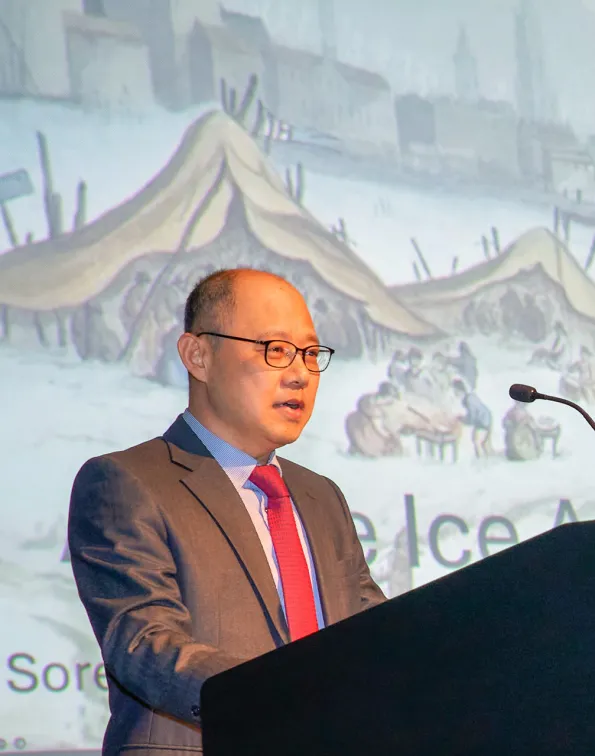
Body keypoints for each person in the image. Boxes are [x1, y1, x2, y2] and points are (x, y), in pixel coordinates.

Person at [67, 268, 387, 756]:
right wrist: (293, 695)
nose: (300, 372)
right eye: (275, 350)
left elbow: (375, 633)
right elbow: (146, 643)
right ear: (198, 356)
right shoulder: (126, 483)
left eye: (310, 354)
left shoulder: (322, 497)